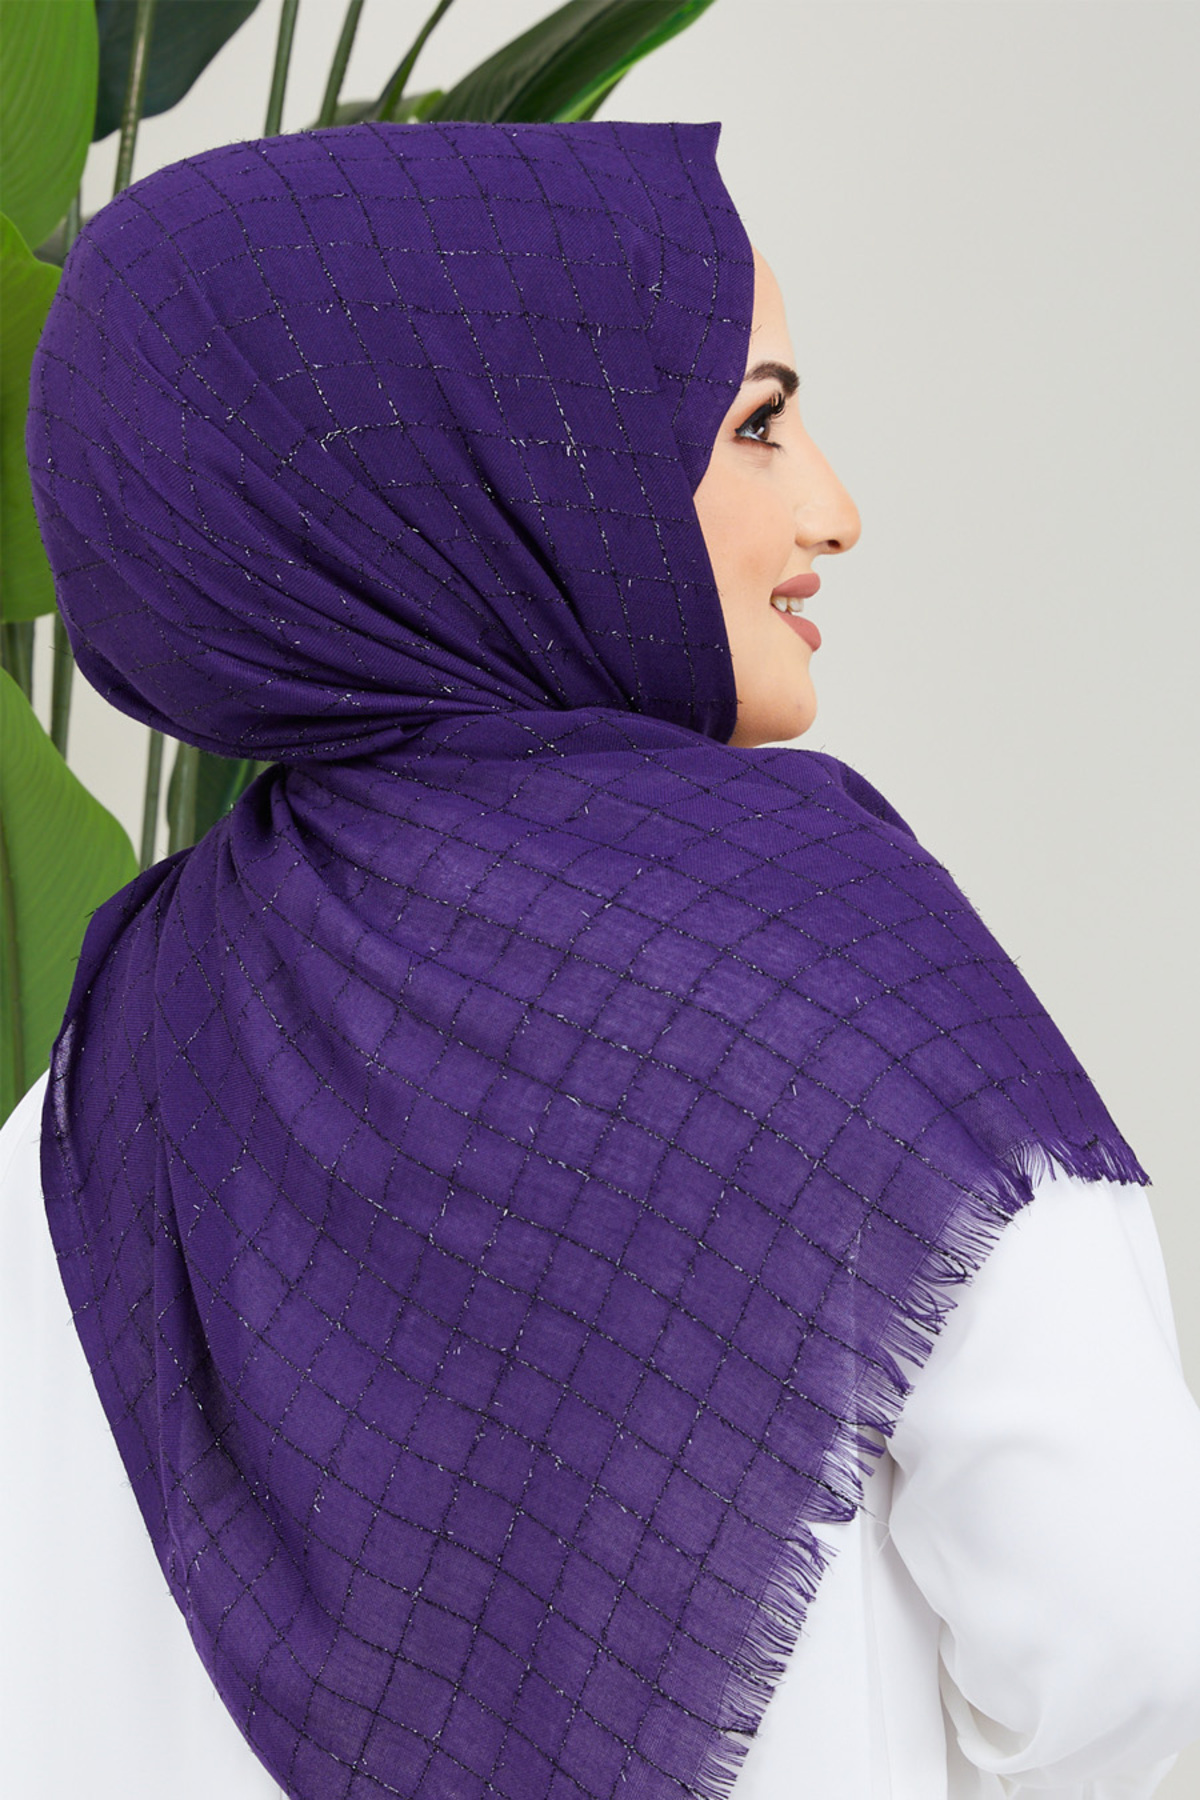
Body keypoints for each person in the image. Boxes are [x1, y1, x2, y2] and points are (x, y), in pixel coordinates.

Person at [2, 119, 1199, 1800]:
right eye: (757, 424)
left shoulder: (95, 1089)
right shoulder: (827, 971)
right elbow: (1137, 1633)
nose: (836, 508)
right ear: (512, 464)